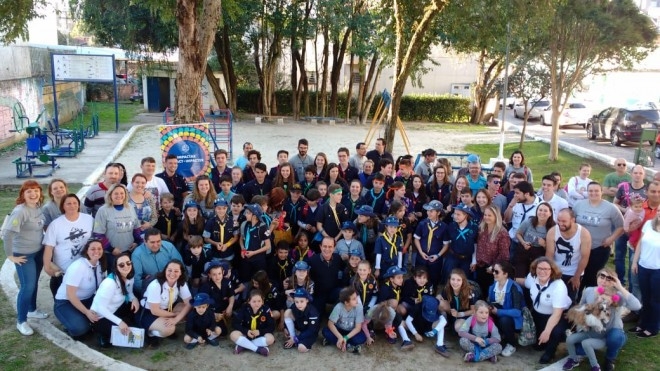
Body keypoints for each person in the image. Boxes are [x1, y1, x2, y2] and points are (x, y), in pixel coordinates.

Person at [563, 268, 641, 371]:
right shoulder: (589, 290)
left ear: (613, 281)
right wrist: (593, 306)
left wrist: (620, 287)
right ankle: (578, 356)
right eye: (602, 277)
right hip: (592, 331)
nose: (604, 281)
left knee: (615, 339)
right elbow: (580, 308)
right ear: (597, 277)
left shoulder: (617, 295)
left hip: (611, 331)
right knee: (578, 350)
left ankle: (610, 358)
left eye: (608, 279)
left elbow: (637, 306)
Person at [2, 180, 48, 336]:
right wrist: (10, 256)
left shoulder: (37, 207)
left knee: (33, 282)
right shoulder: (20, 211)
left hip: (37, 252)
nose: (33, 194)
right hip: (23, 255)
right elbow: (8, 234)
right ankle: (21, 321)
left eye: (36, 190)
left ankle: (32, 310)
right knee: (27, 287)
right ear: (23, 194)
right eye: (29, 191)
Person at [573, 182, 624, 290]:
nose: (593, 193)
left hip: (600, 248)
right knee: (580, 273)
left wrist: (611, 239)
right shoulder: (578, 205)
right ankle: (577, 299)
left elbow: (621, 226)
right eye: (590, 191)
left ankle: (591, 300)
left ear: (602, 192)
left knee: (593, 276)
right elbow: (572, 222)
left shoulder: (611, 208)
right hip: (580, 246)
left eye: (596, 191)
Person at [54, 239, 106, 339]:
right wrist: (87, 312)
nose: (96, 251)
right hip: (66, 302)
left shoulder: (100, 264)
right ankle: (73, 323)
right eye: (93, 249)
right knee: (80, 329)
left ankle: (85, 321)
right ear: (87, 251)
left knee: (104, 316)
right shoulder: (78, 266)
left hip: (87, 299)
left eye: (99, 248)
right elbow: (71, 295)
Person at [43, 194, 94, 297]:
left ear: (79, 205)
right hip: (63, 271)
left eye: (75, 203)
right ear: (63, 206)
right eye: (68, 203)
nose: (72, 206)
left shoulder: (89, 219)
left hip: (85, 269)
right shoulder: (55, 224)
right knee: (62, 298)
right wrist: (47, 267)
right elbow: (48, 248)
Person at [523, 257, 572, 364]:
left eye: (546, 269)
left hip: (558, 315)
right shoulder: (532, 278)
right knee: (538, 345)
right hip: (538, 313)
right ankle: (544, 341)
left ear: (552, 271)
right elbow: (525, 283)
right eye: (539, 268)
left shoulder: (558, 286)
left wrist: (547, 331)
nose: (542, 271)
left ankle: (551, 352)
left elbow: (557, 314)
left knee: (554, 332)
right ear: (535, 269)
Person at [90, 253, 140, 348]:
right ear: (116, 267)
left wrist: (134, 299)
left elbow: (129, 292)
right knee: (123, 332)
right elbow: (101, 308)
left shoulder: (129, 276)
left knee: (136, 309)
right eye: (121, 265)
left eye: (128, 263)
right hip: (100, 317)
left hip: (116, 309)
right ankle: (101, 333)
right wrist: (119, 322)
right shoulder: (109, 283)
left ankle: (121, 324)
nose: (126, 266)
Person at [139, 259, 192, 346]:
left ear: (181, 273)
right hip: (149, 312)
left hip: (167, 308)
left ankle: (165, 324)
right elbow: (155, 311)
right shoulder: (155, 285)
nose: (172, 274)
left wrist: (176, 319)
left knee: (188, 311)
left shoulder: (181, 282)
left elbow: (189, 303)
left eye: (176, 271)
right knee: (169, 329)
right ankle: (151, 333)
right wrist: (174, 315)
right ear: (165, 270)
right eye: (169, 270)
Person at [545, 208, 591, 303]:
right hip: (556, 270)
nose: (560, 223)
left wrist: (576, 277)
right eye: (558, 220)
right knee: (553, 299)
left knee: (570, 301)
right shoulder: (553, 231)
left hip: (573, 272)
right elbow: (549, 254)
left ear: (573, 220)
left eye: (564, 221)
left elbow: (584, 257)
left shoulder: (583, 233)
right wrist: (549, 272)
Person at [612, 164, 646, 287]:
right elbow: (614, 203)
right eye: (635, 173)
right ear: (631, 174)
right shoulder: (624, 187)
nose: (637, 175)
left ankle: (632, 285)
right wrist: (626, 210)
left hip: (638, 230)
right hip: (622, 227)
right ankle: (620, 282)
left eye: (640, 173)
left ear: (644, 175)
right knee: (619, 255)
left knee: (633, 259)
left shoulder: (647, 190)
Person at [93, 183, 141, 267]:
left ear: (125, 195)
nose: (119, 195)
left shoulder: (130, 207)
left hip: (130, 251)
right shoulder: (103, 210)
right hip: (112, 254)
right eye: (116, 193)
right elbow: (98, 235)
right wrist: (111, 249)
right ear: (110, 195)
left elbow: (136, 227)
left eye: (122, 193)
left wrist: (137, 241)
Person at [631, 212, 660, 338]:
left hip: (657, 270)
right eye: (659, 210)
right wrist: (634, 262)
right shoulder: (648, 224)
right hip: (643, 266)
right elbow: (640, 244)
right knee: (645, 298)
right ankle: (643, 324)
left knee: (655, 300)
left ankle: (653, 328)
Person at [487, 261, 524, 358]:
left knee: (504, 320)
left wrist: (498, 312)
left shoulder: (514, 288)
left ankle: (511, 344)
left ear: (505, 274)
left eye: (496, 271)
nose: (493, 273)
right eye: (493, 271)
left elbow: (517, 312)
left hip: (513, 319)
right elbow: (490, 301)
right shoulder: (493, 286)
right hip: (498, 314)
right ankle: (496, 338)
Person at [131, 228, 183, 295]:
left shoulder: (169, 247)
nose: (156, 245)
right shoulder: (137, 255)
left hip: (173, 286)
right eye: (152, 242)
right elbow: (137, 281)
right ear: (145, 241)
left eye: (158, 241)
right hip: (151, 291)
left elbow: (180, 267)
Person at [475, 205, 510, 297]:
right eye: (485, 215)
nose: (486, 217)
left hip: (493, 270)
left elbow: (504, 254)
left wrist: (493, 267)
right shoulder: (482, 229)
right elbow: (478, 246)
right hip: (480, 266)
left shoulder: (502, 233)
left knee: (491, 295)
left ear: (496, 216)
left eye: (489, 215)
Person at [514, 202, 555, 280]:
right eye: (540, 210)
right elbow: (518, 233)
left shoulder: (552, 227)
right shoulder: (529, 221)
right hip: (524, 250)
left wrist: (544, 244)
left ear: (550, 214)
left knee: (533, 278)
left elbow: (553, 249)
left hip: (539, 254)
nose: (542, 213)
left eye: (545, 211)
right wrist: (523, 242)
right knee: (519, 278)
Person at [413, 200, 449, 286]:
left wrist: (438, 255)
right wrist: (421, 252)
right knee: (419, 278)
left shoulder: (444, 227)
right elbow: (416, 239)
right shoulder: (422, 224)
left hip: (435, 260)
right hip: (422, 258)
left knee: (434, 279)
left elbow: (446, 244)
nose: (428, 213)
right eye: (428, 210)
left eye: (431, 211)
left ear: (438, 212)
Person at [322, 286, 367, 354]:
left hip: (352, 331)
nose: (357, 300)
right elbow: (330, 324)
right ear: (346, 302)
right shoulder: (338, 307)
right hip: (339, 329)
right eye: (354, 299)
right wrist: (340, 337)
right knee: (325, 331)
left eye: (356, 297)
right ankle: (348, 344)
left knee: (362, 338)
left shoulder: (359, 307)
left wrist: (345, 338)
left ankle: (341, 342)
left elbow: (358, 328)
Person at [230, 289, 275, 356]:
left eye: (259, 301)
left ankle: (244, 345)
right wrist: (246, 331)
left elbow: (272, 326)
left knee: (271, 339)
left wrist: (260, 332)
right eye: (254, 301)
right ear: (249, 301)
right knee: (233, 335)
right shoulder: (244, 308)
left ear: (262, 301)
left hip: (260, 335)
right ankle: (257, 349)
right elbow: (235, 323)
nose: (257, 304)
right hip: (246, 334)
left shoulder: (266, 310)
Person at [308, 237, 344, 317]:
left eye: (330, 246)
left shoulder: (337, 258)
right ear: (320, 246)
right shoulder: (312, 261)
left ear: (334, 247)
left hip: (333, 292)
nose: (327, 249)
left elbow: (344, 271)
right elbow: (300, 272)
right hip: (318, 294)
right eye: (324, 246)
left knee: (343, 292)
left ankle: (336, 316)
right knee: (315, 317)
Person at [442, 205, 478, 283]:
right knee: (449, 278)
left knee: (464, 280)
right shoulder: (451, 226)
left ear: (466, 215)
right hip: (453, 257)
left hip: (467, 259)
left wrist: (474, 260)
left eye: (458, 214)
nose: (455, 216)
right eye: (455, 214)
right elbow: (446, 242)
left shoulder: (474, 227)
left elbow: (475, 244)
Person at [504, 181, 540, 260]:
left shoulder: (541, 206)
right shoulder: (516, 203)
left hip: (530, 244)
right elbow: (506, 220)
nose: (515, 196)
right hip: (514, 242)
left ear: (526, 194)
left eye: (517, 193)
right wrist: (510, 206)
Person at [239, 203, 271, 282]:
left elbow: (268, 246)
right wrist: (243, 249)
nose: (246, 214)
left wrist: (253, 253)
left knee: (258, 281)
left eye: (248, 213)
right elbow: (241, 239)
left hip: (258, 260)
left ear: (254, 216)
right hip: (246, 259)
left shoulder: (263, 227)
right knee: (245, 280)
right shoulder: (245, 224)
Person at [283, 287, 321, 352]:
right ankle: (293, 336)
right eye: (296, 302)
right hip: (300, 327)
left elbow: (311, 330)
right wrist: (285, 327)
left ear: (307, 300)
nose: (299, 304)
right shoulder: (294, 306)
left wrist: (296, 339)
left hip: (309, 332)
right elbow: (289, 314)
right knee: (287, 312)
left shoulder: (312, 312)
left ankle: (296, 340)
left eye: (301, 301)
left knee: (301, 348)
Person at [439, 268, 477, 333]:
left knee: (458, 328)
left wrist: (459, 314)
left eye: (458, 280)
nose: (455, 282)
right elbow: (441, 300)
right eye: (453, 279)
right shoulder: (447, 289)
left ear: (463, 281)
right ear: (449, 280)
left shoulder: (469, 292)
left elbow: (473, 311)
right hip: (452, 314)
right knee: (439, 303)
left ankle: (470, 334)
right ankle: (444, 322)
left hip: (463, 315)